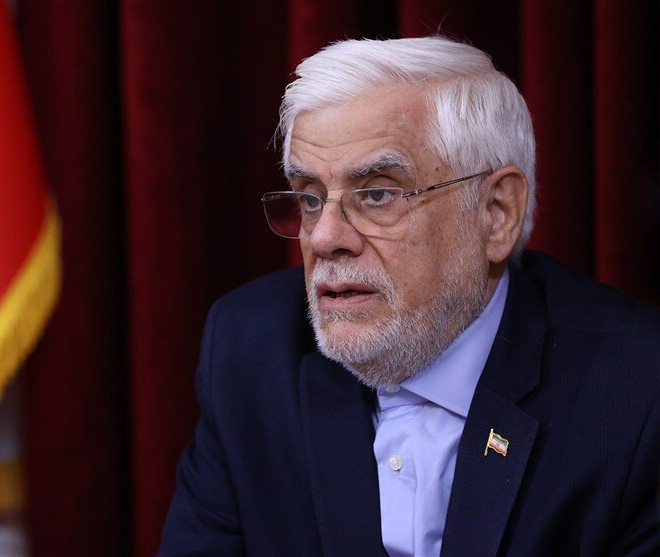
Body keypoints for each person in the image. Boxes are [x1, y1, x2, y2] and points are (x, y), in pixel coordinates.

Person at [159, 36, 660, 556]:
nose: (324, 237)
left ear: (496, 214)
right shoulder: (248, 352)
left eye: (377, 194)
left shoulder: (636, 391)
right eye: (310, 198)